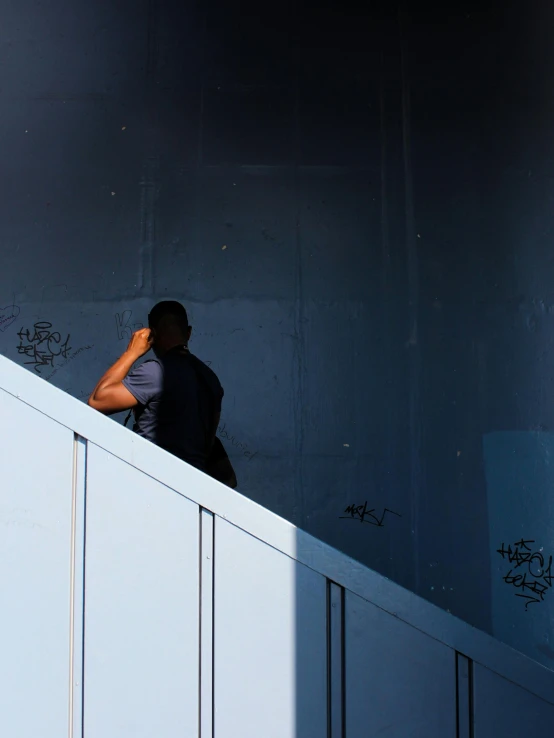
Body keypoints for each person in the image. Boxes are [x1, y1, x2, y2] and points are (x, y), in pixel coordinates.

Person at [88, 300, 235, 485]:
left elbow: (98, 400)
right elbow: (209, 443)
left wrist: (131, 352)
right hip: (195, 488)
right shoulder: (210, 379)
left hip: (154, 483)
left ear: (152, 336)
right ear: (188, 333)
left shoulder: (156, 371)